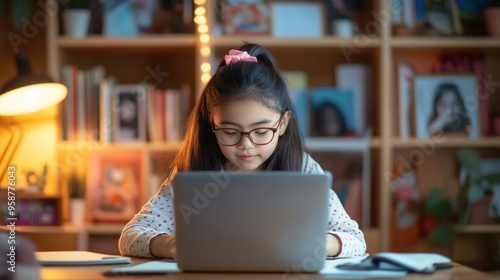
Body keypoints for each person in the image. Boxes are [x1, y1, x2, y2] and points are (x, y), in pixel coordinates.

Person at [118, 43, 366, 259]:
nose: (246, 144)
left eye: (260, 132)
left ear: (282, 124)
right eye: (230, 131)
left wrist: (316, 244)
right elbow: (130, 236)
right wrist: (174, 245)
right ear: (211, 124)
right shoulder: (193, 172)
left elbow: (355, 239)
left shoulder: (301, 167)